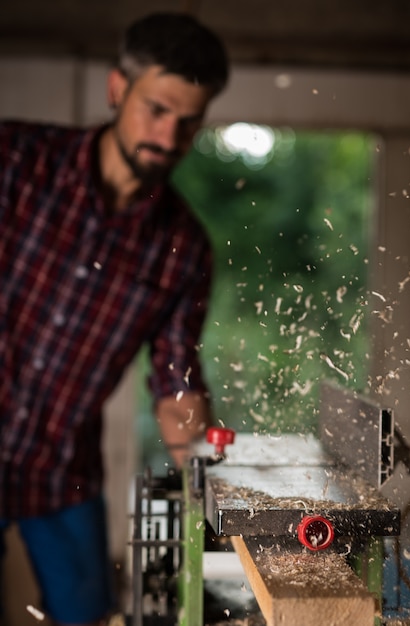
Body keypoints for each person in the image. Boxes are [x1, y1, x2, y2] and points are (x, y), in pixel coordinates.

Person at [0, 12, 229, 626]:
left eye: (189, 122)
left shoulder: (184, 246)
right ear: (115, 89)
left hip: (62, 471)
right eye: (156, 108)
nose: (169, 135)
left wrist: (214, 488)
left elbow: (177, 382)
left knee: (90, 618)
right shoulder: (14, 162)